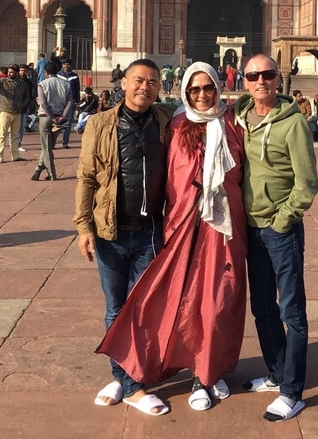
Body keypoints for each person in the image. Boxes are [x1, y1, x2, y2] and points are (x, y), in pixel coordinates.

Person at [97, 62, 247, 412]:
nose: (202, 95)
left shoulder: (233, 123)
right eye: (194, 89)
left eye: (208, 88)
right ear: (184, 92)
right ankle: (132, 374)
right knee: (180, 303)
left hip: (223, 228)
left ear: (218, 88)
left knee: (218, 301)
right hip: (181, 228)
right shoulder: (175, 124)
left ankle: (208, 371)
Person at [74, 59, 172, 416]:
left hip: (150, 232)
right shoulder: (100, 123)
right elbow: (86, 177)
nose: (144, 87)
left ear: (159, 87)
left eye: (152, 81)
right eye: (138, 80)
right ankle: (129, 382)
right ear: (124, 83)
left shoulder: (166, 122)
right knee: (116, 308)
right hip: (110, 232)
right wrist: (83, 227)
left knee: (141, 309)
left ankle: (125, 381)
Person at [234, 54, 318, 422]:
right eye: (253, 75)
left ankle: (292, 392)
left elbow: (307, 183)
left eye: (267, 74)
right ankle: (277, 372)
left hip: (280, 230)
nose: (261, 81)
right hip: (251, 228)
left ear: (278, 79)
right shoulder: (239, 118)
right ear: (244, 81)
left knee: (291, 310)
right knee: (263, 307)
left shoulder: (293, 123)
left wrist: (283, 220)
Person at [32, 61, 72, 181]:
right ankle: (38, 169)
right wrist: (62, 116)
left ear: (46, 72)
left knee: (46, 147)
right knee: (48, 145)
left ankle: (52, 173)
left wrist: (51, 116)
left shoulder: (42, 84)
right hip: (60, 118)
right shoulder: (66, 84)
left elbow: (43, 103)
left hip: (46, 116)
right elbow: (70, 102)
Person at [56, 58, 80, 149]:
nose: (66, 66)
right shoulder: (58, 75)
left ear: (71, 65)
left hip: (71, 102)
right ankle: (53, 141)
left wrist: (77, 102)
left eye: (68, 64)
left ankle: (65, 142)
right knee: (57, 122)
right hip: (59, 101)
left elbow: (77, 89)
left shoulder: (75, 76)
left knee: (68, 122)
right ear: (62, 65)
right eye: (65, 64)